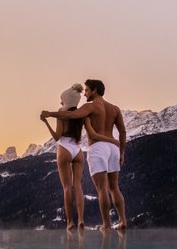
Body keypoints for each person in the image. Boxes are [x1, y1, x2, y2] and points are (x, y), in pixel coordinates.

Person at [42, 78, 127, 230]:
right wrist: (121, 151)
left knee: (101, 188)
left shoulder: (90, 107)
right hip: (113, 148)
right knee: (114, 187)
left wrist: (50, 114)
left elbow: (72, 117)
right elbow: (122, 131)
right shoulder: (115, 108)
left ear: (94, 90)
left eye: (87, 90)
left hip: (96, 147)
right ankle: (123, 221)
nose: (85, 93)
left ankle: (105, 224)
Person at [39, 83, 96, 230]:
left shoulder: (61, 114)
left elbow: (57, 137)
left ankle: (70, 222)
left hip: (64, 148)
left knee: (66, 188)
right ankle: (81, 219)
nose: (60, 102)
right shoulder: (82, 114)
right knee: (78, 185)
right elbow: (91, 132)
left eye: (62, 99)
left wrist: (46, 122)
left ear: (66, 100)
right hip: (78, 150)